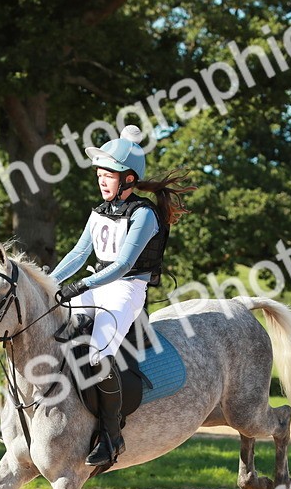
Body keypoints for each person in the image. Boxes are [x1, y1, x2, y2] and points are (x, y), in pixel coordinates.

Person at [50, 124, 194, 467]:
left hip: (125, 289)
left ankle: (112, 435)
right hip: (95, 282)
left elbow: (124, 264)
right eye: (100, 174)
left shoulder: (144, 215)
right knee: (53, 332)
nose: (102, 180)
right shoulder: (98, 211)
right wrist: (47, 284)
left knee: (98, 354)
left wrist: (82, 286)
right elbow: (77, 254)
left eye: (109, 175)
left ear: (128, 179)